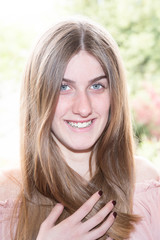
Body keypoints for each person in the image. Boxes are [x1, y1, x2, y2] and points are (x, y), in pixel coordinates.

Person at [0, 17, 160, 240]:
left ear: (115, 95)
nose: (83, 108)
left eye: (97, 86)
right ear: (38, 94)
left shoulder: (146, 186)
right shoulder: (5, 196)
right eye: (64, 87)